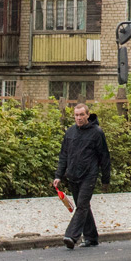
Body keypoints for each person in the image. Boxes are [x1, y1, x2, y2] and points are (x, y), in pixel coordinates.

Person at [53, 103, 112, 249]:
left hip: (89, 175)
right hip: (73, 174)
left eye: (81, 115)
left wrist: (106, 179)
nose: (78, 118)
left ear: (87, 115)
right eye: (76, 115)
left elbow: (104, 156)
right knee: (83, 206)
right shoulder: (70, 132)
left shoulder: (97, 132)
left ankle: (71, 236)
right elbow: (64, 155)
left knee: (82, 205)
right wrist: (58, 175)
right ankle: (91, 237)